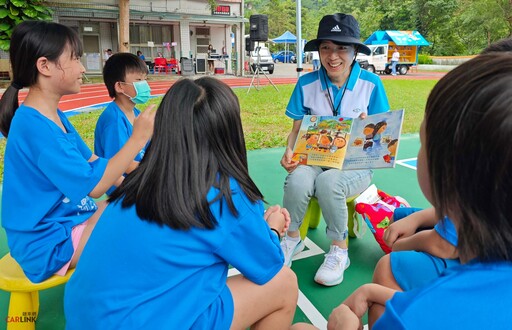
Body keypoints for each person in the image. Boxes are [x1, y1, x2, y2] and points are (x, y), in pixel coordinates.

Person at [64, 77, 316, 329]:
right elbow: (267, 264)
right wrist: (271, 228)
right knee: (283, 283)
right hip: (147, 320)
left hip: (84, 317)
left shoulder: (137, 182)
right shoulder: (226, 196)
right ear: (230, 132)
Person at [328, 53, 512, 329]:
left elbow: (428, 303)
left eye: (423, 142)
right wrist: (370, 291)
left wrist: (343, 326)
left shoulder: (413, 317)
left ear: (448, 174)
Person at [0, 21, 155, 283]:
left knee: (145, 209)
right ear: (44, 66)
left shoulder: (52, 116)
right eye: (74, 58)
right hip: (47, 244)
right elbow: (96, 186)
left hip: (68, 221)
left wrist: (139, 189)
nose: (83, 68)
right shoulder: (35, 126)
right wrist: (138, 139)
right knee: (144, 235)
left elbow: (95, 161)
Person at [280, 13, 390, 287]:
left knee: (329, 182)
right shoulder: (306, 83)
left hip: (355, 164)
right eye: (326, 47)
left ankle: (340, 250)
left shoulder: (372, 85)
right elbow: (296, 130)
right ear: (318, 51)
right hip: (314, 157)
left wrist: (371, 130)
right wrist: (289, 150)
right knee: (298, 179)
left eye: (342, 47)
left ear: (354, 51)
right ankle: (291, 239)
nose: (333, 56)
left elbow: (384, 136)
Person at [94, 53, 151, 195]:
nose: (145, 84)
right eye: (139, 80)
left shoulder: (136, 113)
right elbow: (122, 165)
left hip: (139, 181)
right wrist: (156, 171)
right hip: (123, 192)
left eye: (145, 79)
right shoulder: (114, 120)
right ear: (120, 86)